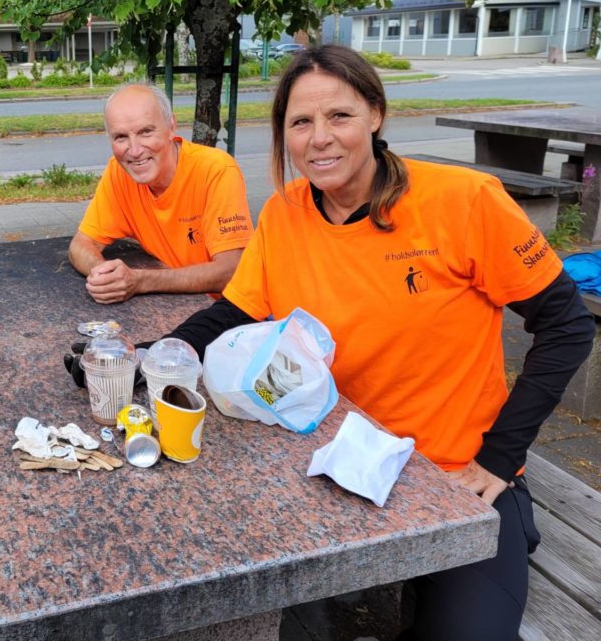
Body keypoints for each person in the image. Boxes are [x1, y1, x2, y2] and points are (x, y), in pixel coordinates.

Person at [164, 45, 594, 640]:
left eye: (338, 115)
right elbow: (237, 309)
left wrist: (498, 459)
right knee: (224, 597)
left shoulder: (463, 201)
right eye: (300, 122)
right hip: (333, 462)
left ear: (375, 114)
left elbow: (568, 324)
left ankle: (514, 521)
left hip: (451, 475)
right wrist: (152, 354)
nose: (320, 139)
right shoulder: (287, 212)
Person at [68, 83, 253, 304]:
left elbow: (231, 271)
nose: (135, 150)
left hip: (229, 309)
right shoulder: (119, 173)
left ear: (171, 126)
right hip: (177, 304)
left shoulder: (216, 170)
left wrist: (141, 281)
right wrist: (104, 274)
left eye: (146, 132)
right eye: (120, 137)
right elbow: (80, 245)